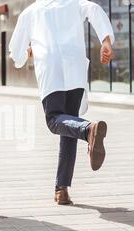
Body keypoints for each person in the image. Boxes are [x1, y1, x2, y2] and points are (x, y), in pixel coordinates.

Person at [9, 0, 115, 205]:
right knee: (69, 128)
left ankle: (88, 130)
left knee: (54, 120)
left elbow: (17, 55)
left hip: (52, 70)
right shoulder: (73, 3)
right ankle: (62, 190)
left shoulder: (31, 12)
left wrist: (26, 54)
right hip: (74, 66)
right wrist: (106, 40)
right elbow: (94, 9)